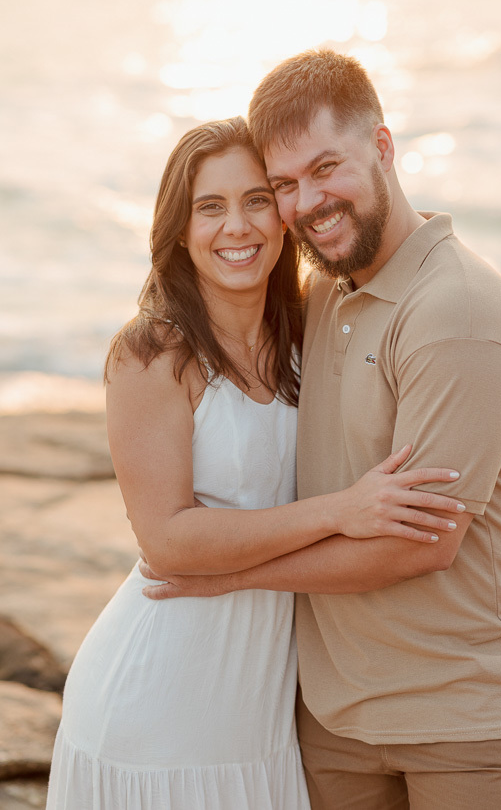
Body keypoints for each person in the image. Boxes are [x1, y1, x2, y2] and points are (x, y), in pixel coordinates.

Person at [141, 52, 501, 810]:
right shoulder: (329, 293)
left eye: (326, 167)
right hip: (333, 720)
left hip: (463, 721)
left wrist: (230, 579)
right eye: (286, 186)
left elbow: (419, 541)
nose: (309, 201)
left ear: (383, 147)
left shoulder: (456, 314)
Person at [46, 116, 467, 810]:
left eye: (256, 200)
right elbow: (168, 540)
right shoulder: (152, 354)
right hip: (157, 701)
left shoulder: (314, 330)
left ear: (284, 217)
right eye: (209, 207)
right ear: (178, 229)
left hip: (267, 708)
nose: (235, 227)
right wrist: (340, 511)